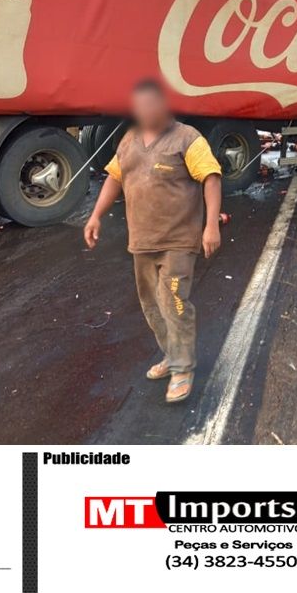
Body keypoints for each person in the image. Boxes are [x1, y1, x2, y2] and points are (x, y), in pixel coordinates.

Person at [83, 79, 223, 404]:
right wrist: (95, 216)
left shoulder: (188, 139)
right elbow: (114, 178)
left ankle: (183, 370)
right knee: (151, 306)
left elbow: (212, 178)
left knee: (173, 303)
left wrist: (211, 225)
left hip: (178, 240)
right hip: (141, 242)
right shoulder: (129, 140)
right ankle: (172, 355)